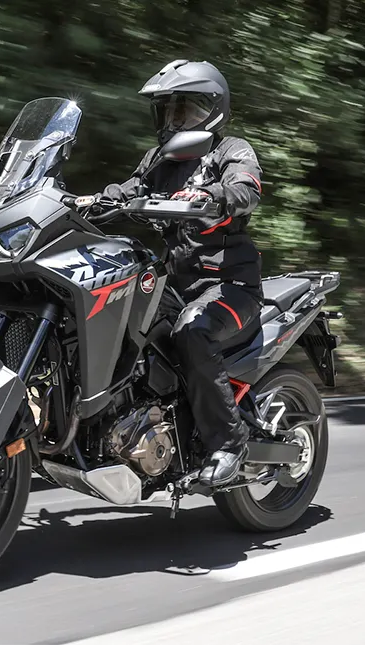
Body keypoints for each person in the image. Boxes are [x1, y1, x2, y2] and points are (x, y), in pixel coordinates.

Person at [92, 59, 264, 487]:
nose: (174, 119)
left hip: (229, 286)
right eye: (168, 110)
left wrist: (211, 195)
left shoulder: (232, 150)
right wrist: (86, 201)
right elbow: (128, 191)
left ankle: (229, 442)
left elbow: (246, 188)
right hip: (174, 282)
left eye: (184, 110)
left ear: (212, 108)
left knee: (192, 331)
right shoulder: (160, 159)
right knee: (116, 315)